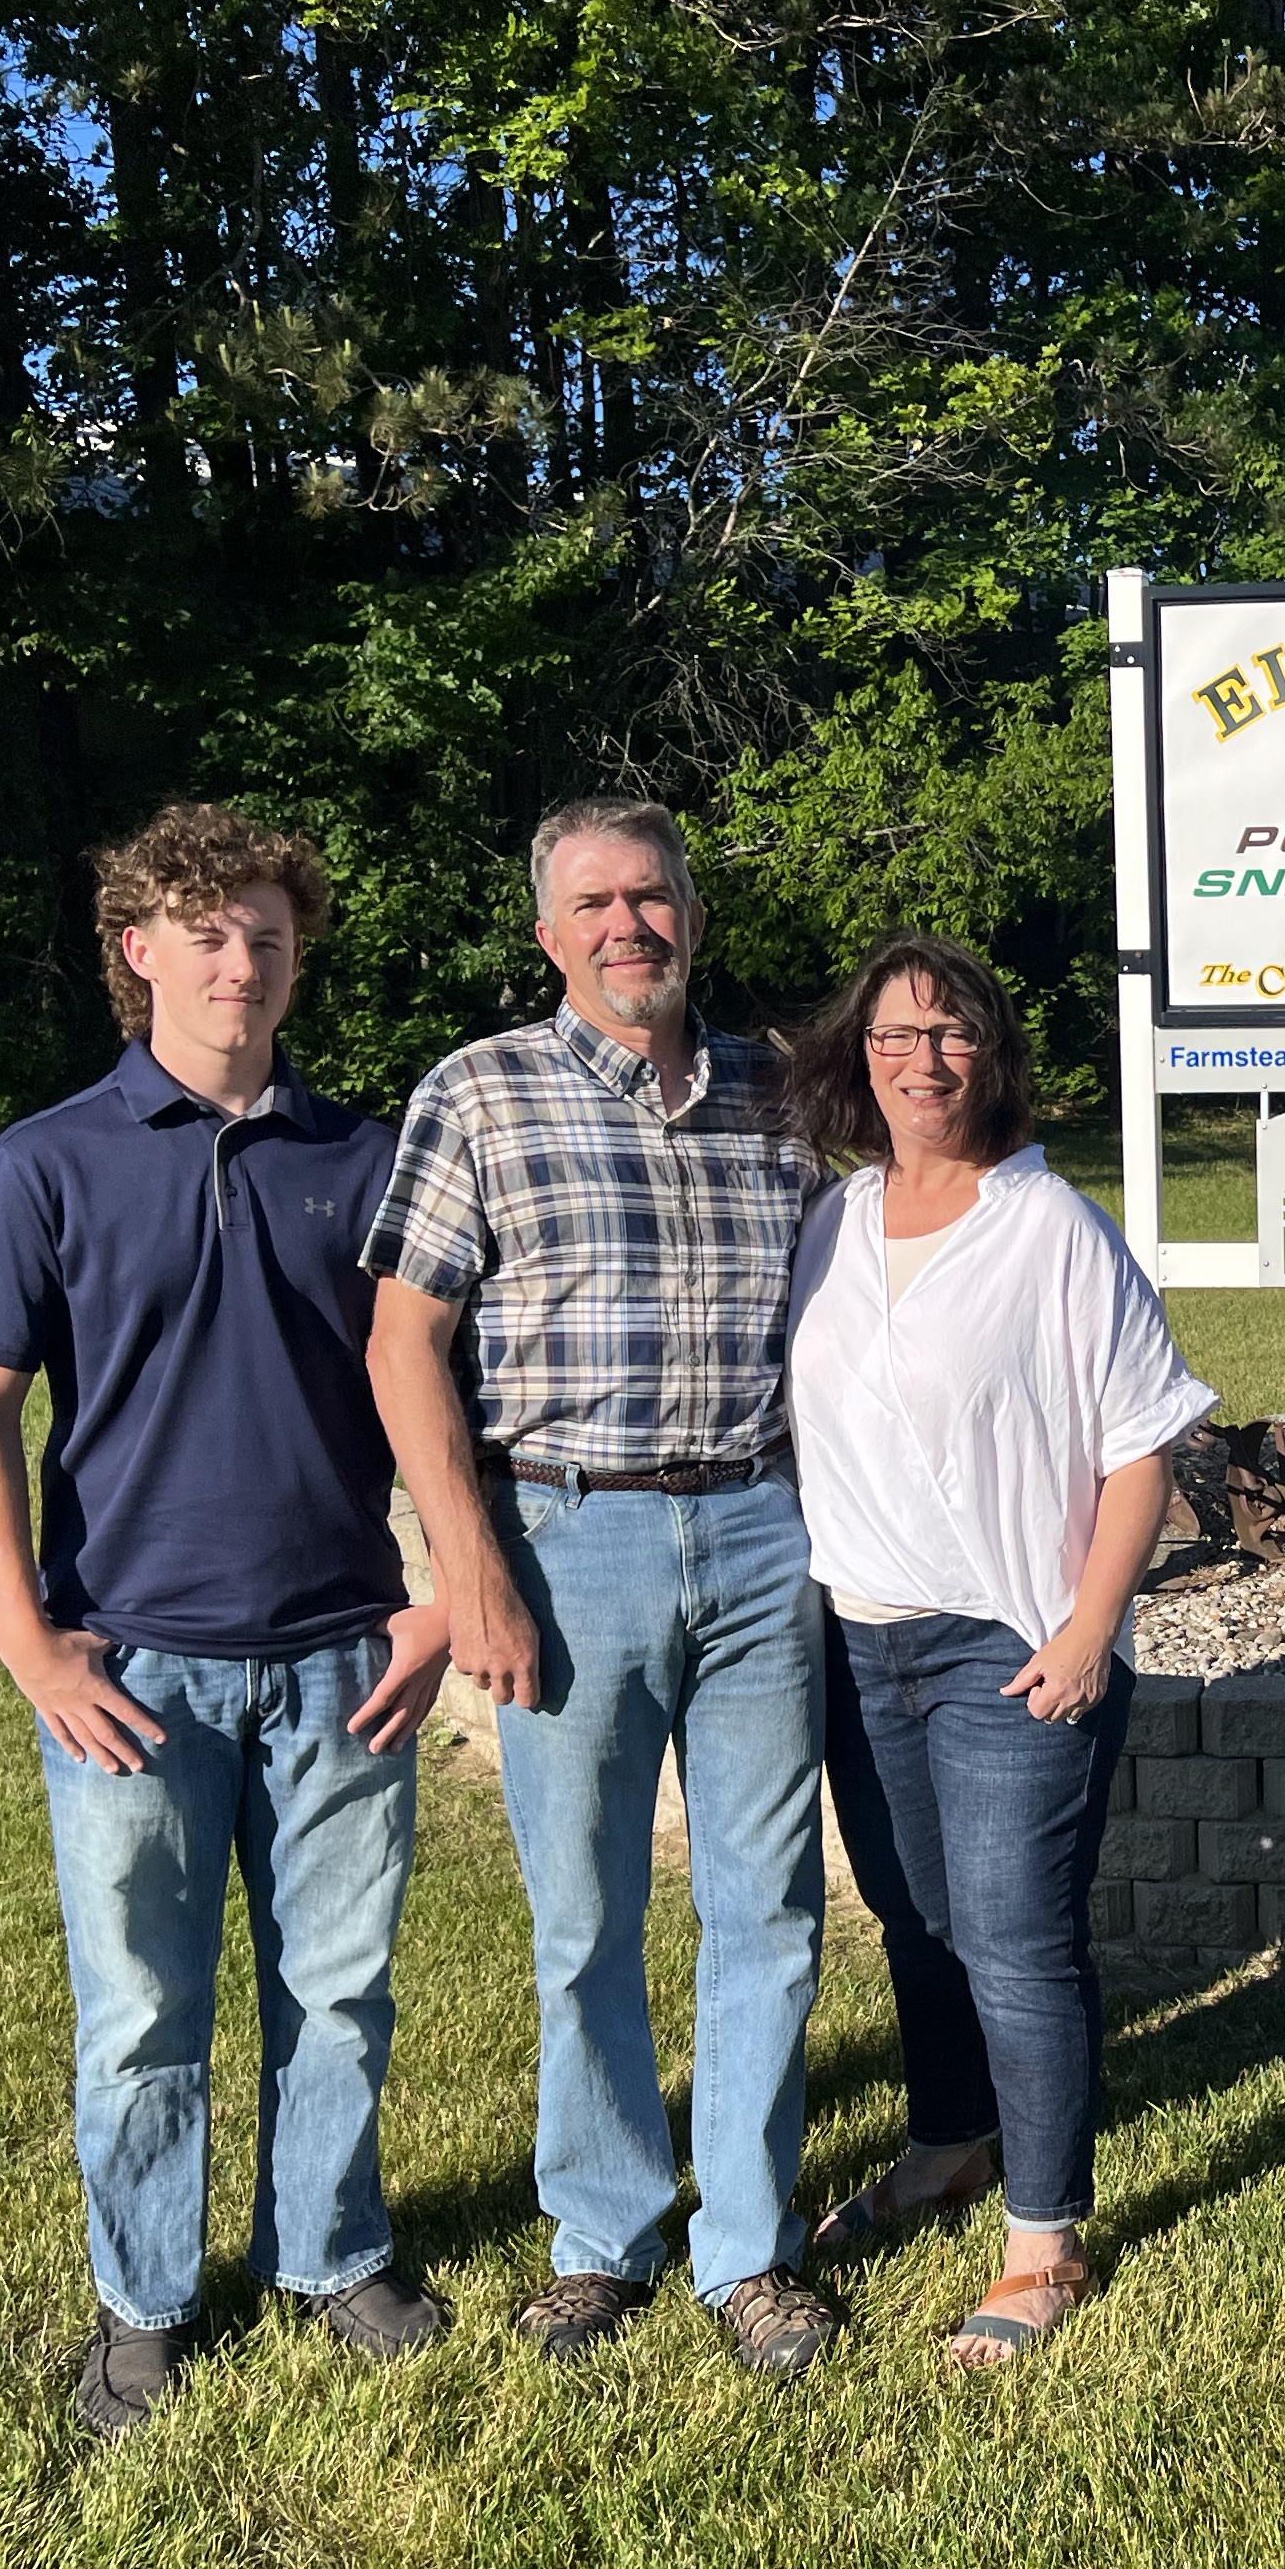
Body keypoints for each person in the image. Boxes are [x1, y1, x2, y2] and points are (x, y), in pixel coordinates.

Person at [0, 804, 455, 2439]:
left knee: (339, 1987)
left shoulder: (367, 1160)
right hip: (130, 1665)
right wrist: (29, 1640)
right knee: (144, 2006)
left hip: (341, 1653)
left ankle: (331, 2248)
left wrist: (439, 1594)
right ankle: (145, 2300)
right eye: (207, 933)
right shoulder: (48, 1161)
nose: (242, 961)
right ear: (137, 951)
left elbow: (438, 1391)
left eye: (269, 937)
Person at [361, 797, 839, 2377]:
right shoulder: (478, 1097)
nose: (628, 924)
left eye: (653, 896)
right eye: (595, 903)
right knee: (587, 1921)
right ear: (549, 932)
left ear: (693, 915)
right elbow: (402, 1344)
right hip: (572, 1541)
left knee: (764, 1908)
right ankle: (603, 2232)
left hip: (768, 1534)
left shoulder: (783, 1089)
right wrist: (467, 1568)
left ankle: (749, 2248)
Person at [776, 938, 1216, 2362]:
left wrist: (1090, 1627)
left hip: (1011, 1645)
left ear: (994, 1056)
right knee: (917, 1922)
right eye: (897, 1034)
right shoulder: (831, 1221)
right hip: (860, 1638)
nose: (924, 1059)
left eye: (953, 1034)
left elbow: (1145, 1442)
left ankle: (1044, 2240)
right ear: (859, 1055)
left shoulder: (1051, 1230)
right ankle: (946, 2143)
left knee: (1018, 1942)